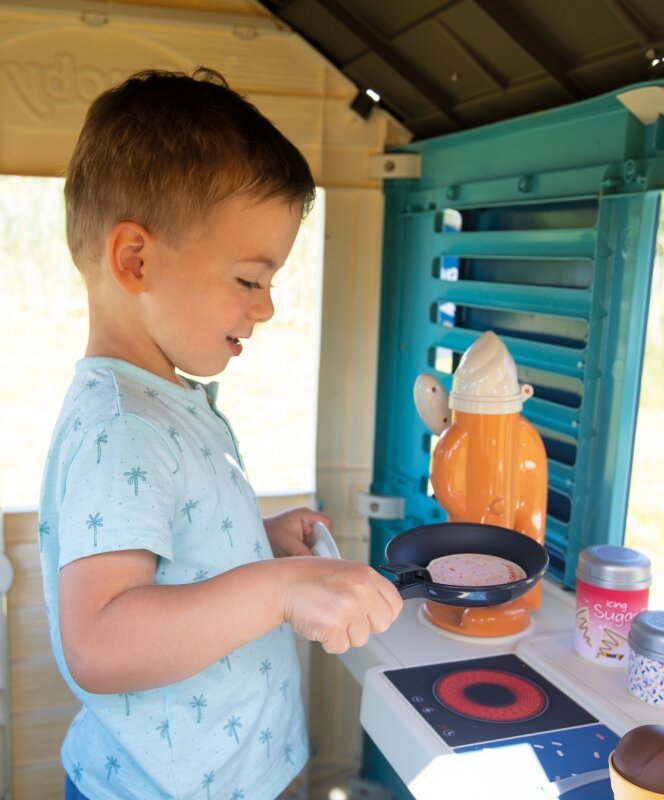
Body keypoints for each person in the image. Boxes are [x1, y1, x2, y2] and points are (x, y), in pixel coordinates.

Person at [38, 68, 403, 800]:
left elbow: (171, 550)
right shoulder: (122, 429)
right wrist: (279, 588)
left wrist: (257, 537)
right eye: (247, 279)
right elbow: (101, 641)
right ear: (135, 260)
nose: (266, 307)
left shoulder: (169, 399)